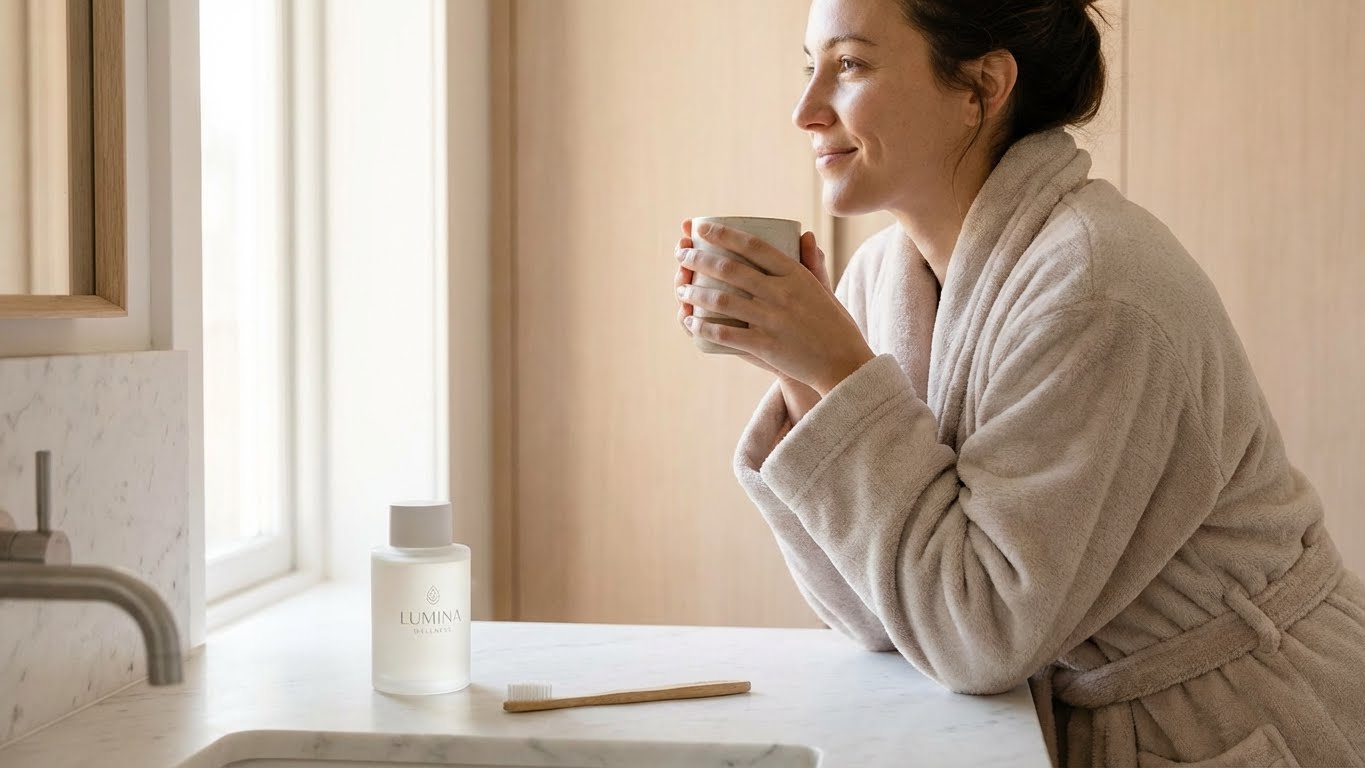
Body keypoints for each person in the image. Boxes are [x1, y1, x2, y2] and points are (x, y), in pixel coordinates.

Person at [670, 0, 1365, 765]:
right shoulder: (881, 277)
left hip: (1238, 714)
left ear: (980, 86)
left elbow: (982, 633)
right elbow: (881, 617)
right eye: (810, 67)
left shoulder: (1096, 286)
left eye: (849, 65)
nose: (805, 111)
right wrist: (801, 372)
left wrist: (836, 374)